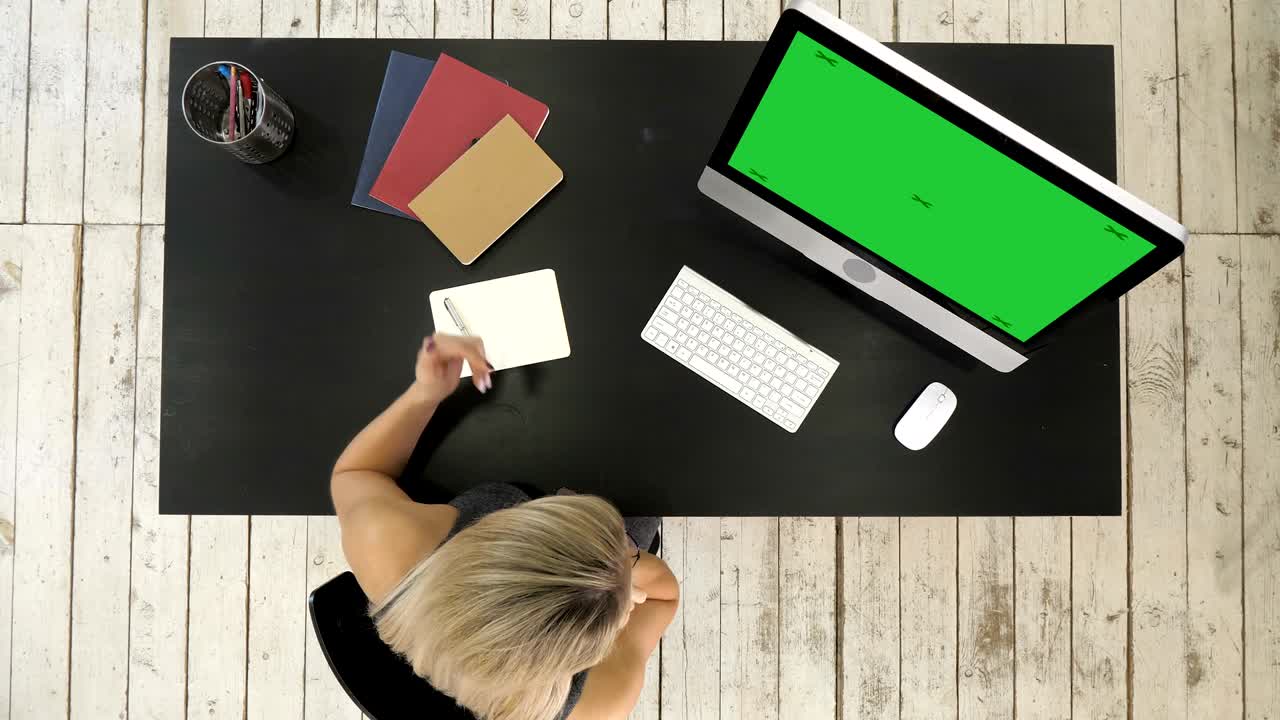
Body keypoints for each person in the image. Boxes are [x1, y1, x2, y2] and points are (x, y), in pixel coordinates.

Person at [332, 334, 679, 720]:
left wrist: (426, 393)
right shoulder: (600, 705)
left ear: (491, 528)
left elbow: (358, 472)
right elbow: (664, 596)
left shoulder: (387, 549)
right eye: (622, 547)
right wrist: (624, 575)